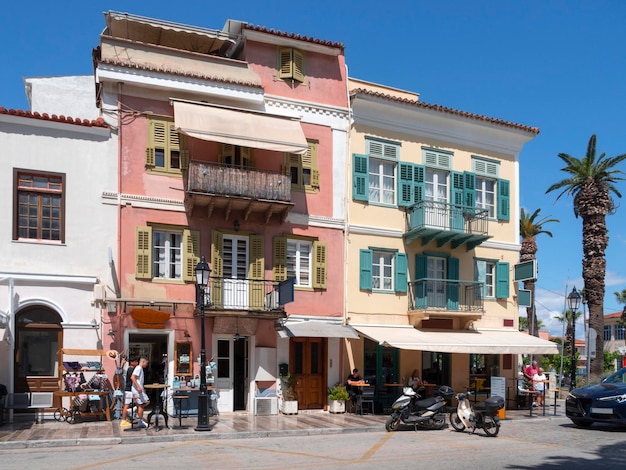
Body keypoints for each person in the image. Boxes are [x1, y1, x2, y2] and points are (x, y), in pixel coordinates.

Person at [131, 357, 150, 428]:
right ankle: (140, 421)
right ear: (143, 362)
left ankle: (133, 410)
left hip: (138, 389)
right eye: (146, 363)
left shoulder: (140, 369)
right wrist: (138, 386)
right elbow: (133, 377)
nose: (147, 365)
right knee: (143, 404)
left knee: (140, 404)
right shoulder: (138, 368)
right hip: (137, 390)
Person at [119, 357, 138, 428]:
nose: (137, 363)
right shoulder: (130, 370)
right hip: (129, 389)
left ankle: (130, 412)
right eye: (135, 361)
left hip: (130, 389)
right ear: (132, 362)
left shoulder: (131, 369)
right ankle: (123, 420)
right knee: (126, 405)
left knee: (137, 403)